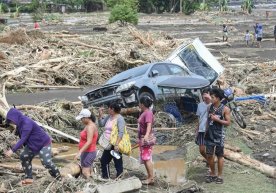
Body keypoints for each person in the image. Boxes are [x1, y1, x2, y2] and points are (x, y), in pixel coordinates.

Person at [4, 108, 61, 185]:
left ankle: (58, 178)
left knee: (46, 162)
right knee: (24, 156)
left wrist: (12, 150)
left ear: (15, 117)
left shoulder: (26, 122)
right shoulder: (19, 123)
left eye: (11, 120)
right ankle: (29, 177)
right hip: (32, 145)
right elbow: (20, 136)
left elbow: (23, 139)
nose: (11, 122)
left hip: (43, 144)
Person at [204, 88, 231, 184]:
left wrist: (217, 119)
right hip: (209, 135)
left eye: (212, 97)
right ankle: (212, 174)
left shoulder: (225, 109)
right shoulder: (209, 107)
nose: (210, 99)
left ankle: (219, 176)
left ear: (218, 98)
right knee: (209, 155)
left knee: (219, 155)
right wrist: (204, 131)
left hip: (219, 136)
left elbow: (228, 123)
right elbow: (207, 120)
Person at [98, 102, 126, 179]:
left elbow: (121, 132)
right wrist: (100, 115)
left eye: (109, 108)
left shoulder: (120, 119)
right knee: (104, 160)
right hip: (108, 143)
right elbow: (101, 124)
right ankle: (106, 177)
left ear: (112, 109)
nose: (107, 110)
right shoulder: (109, 116)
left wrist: (116, 144)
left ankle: (119, 178)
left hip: (115, 143)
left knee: (117, 161)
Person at [75, 109, 98, 179]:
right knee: (89, 170)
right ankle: (92, 183)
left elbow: (89, 141)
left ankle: (91, 185)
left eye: (82, 119)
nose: (81, 120)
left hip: (89, 152)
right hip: (87, 152)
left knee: (85, 172)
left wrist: (79, 152)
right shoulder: (88, 125)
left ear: (86, 118)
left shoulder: (90, 127)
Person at [138, 96, 155, 185]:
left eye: (139, 103)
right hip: (142, 137)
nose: (139, 105)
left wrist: (146, 135)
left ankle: (151, 178)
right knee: (145, 158)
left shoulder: (148, 113)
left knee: (147, 158)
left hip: (146, 138)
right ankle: (149, 176)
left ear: (142, 104)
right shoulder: (144, 112)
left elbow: (149, 125)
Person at [195, 88, 211, 165]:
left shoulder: (213, 105)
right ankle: (208, 160)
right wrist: (197, 130)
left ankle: (211, 164)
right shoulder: (200, 105)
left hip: (210, 130)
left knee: (209, 149)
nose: (205, 96)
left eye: (206, 94)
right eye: (203, 94)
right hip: (201, 130)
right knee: (201, 150)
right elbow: (199, 118)